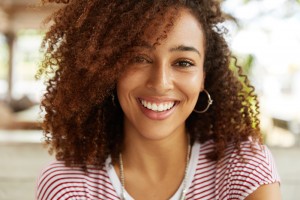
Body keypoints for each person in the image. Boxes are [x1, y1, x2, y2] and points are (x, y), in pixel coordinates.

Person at [36, 0, 281, 199]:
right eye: (139, 58)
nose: (161, 82)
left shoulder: (243, 167)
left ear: (203, 77)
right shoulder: (68, 186)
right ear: (109, 69)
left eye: (183, 63)